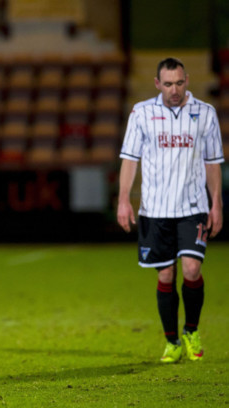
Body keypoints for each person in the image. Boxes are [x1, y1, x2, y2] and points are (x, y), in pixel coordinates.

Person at [117, 57, 224, 363]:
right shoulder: (142, 113)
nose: (174, 90)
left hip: (193, 206)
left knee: (192, 269)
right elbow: (129, 159)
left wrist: (216, 203)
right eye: (167, 84)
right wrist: (124, 199)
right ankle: (171, 340)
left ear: (187, 80)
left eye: (178, 83)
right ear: (157, 84)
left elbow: (213, 162)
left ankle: (191, 329)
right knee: (165, 276)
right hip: (155, 210)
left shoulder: (205, 113)